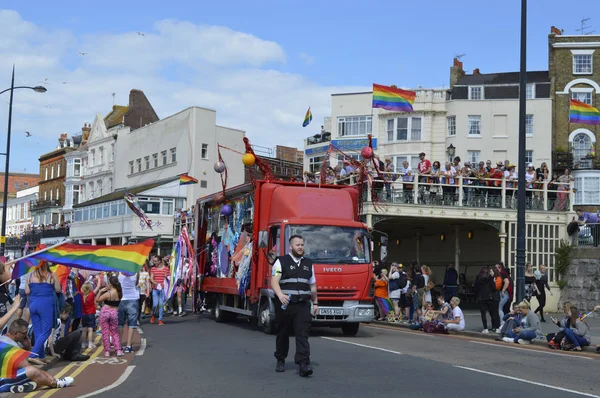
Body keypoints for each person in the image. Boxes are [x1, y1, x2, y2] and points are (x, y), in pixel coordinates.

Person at [271, 235, 318, 377]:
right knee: (283, 332)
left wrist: (315, 303)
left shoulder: (309, 263)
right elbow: (274, 281)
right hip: (285, 304)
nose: (300, 247)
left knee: (302, 333)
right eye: (297, 245)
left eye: (302, 245)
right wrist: (280, 295)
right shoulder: (280, 261)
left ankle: (303, 363)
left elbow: (313, 286)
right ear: (291, 247)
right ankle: (280, 358)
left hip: (303, 304)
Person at [0, 319, 74, 393]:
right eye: (24, 333)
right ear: (15, 333)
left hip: (5, 376)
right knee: (32, 371)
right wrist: (49, 376)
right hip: (2, 381)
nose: (26, 336)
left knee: (36, 376)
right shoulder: (11, 346)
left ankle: (24, 386)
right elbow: (27, 366)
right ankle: (56, 383)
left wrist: (27, 346)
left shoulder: (4, 339)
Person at [25, 262, 61, 359]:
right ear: (46, 265)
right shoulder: (51, 275)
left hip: (33, 304)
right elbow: (58, 290)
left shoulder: (31, 275)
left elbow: (27, 291)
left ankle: (41, 355)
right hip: (46, 304)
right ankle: (33, 355)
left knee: (37, 331)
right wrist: (56, 278)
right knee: (46, 330)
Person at [96, 276, 124, 357]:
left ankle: (107, 351)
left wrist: (100, 291)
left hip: (105, 312)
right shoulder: (119, 293)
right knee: (115, 332)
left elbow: (97, 300)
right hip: (114, 313)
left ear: (111, 284)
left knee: (105, 332)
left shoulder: (108, 294)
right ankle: (118, 350)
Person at [473, 267, 500, 333]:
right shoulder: (490, 278)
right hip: (490, 298)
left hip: (481, 298)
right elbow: (494, 288)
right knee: (492, 313)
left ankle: (485, 328)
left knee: (483, 314)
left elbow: (475, 289)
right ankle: (495, 327)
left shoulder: (478, 279)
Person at [118, 272, 139, 353]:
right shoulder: (136, 272)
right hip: (133, 299)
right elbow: (136, 283)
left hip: (121, 299)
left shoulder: (119, 272)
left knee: (120, 324)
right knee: (132, 323)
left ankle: (119, 345)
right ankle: (129, 346)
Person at [150, 256, 170, 326]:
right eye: (154, 261)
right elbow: (151, 278)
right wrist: (156, 283)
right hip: (155, 289)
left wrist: (166, 277)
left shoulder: (166, 269)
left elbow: (169, 278)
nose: (155, 263)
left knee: (161, 304)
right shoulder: (153, 269)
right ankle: (153, 315)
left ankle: (160, 319)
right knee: (155, 304)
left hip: (163, 289)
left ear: (160, 261)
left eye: (156, 261)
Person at [80, 282, 97, 349]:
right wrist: (98, 280)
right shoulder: (91, 294)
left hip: (84, 314)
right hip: (91, 314)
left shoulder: (82, 295)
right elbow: (98, 287)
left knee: (84, 330)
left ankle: (83, 344)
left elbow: (80, 290)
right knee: (90, 330)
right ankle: (90, 343)